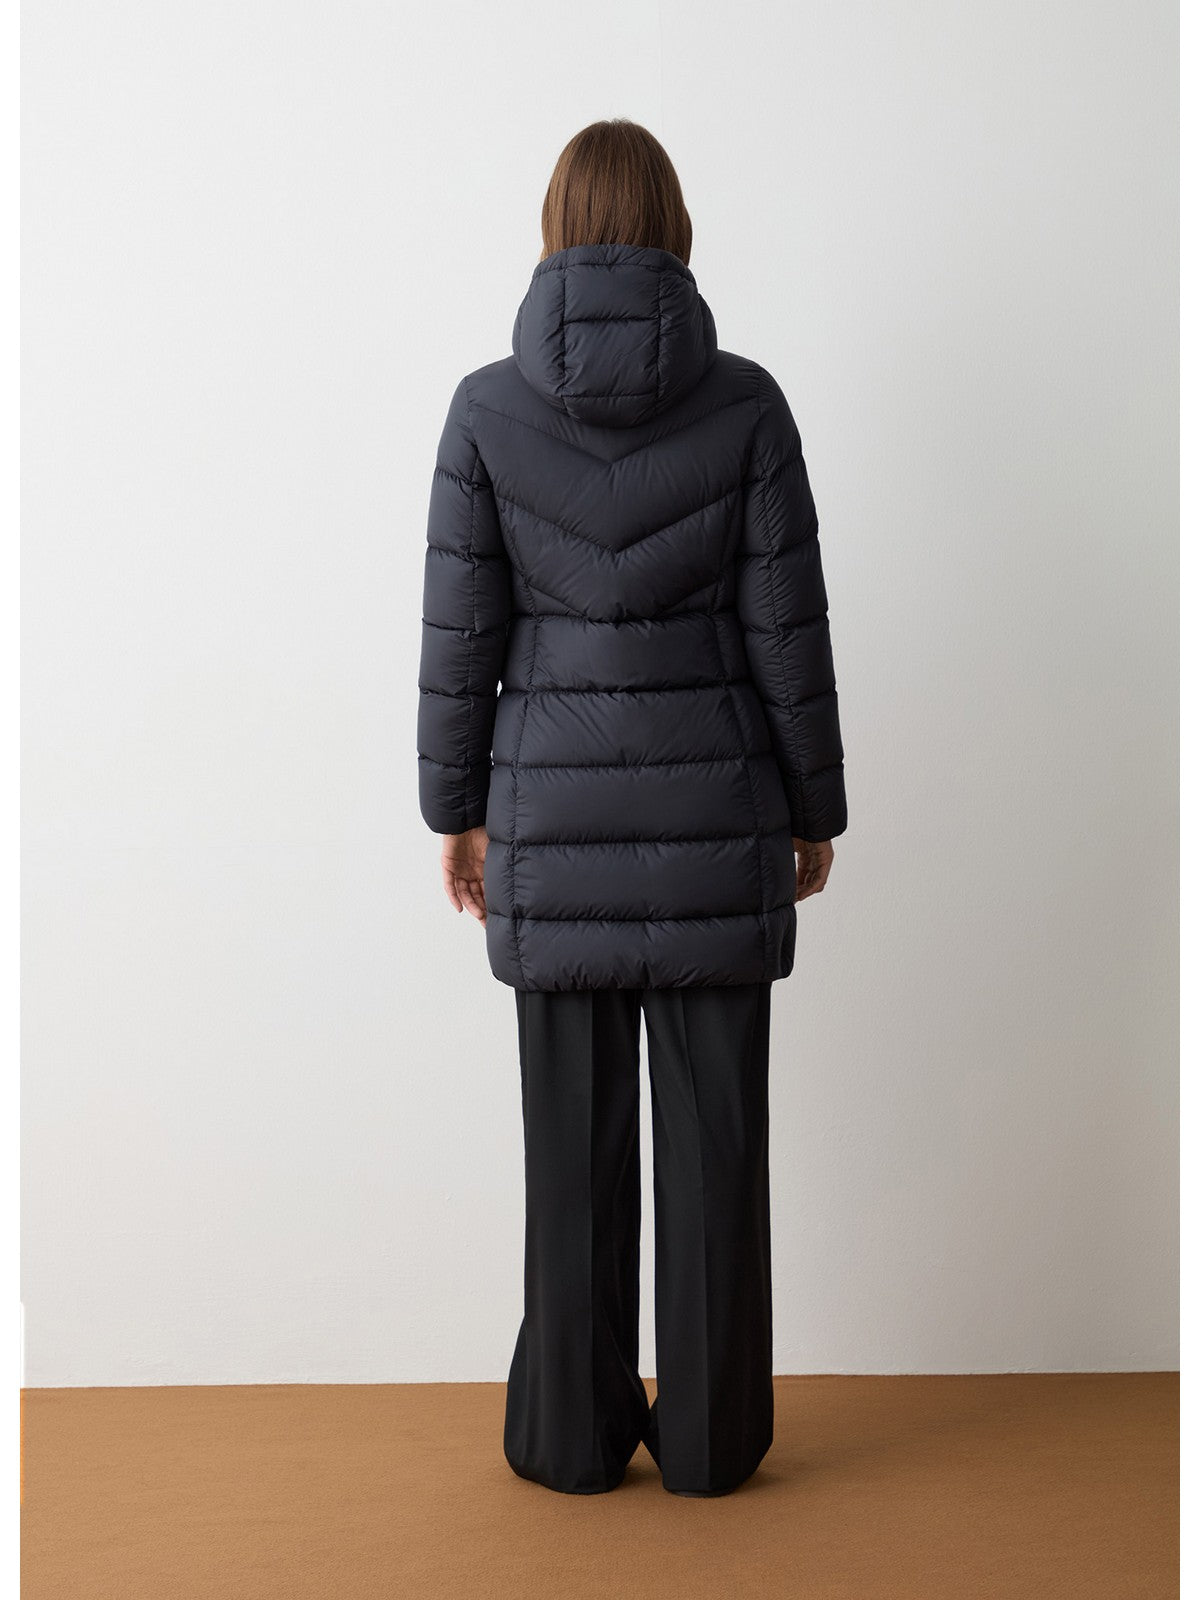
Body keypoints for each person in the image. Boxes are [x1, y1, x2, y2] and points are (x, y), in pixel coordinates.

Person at [416, 118, 847, 1498]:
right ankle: (713, 1444)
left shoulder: (487, 409)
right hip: (719, 819)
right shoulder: (749, 406)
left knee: (570, 1159)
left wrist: (456, 809)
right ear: (675, 228)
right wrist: (815, 808)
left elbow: (460, 637)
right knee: (718, 1153)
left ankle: (569, 1436)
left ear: (554, 228)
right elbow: (789, 632)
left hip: (551, 830)